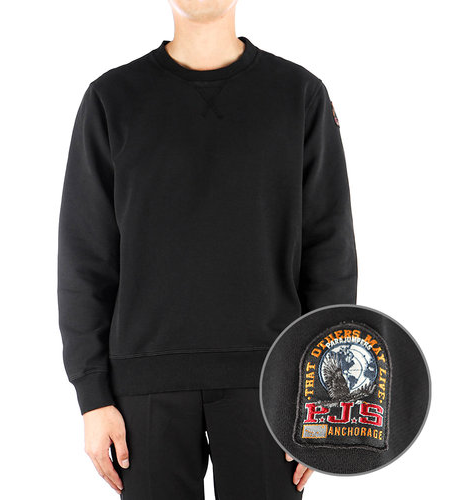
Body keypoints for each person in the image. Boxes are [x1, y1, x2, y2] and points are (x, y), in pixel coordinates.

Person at [57, 0, 357, 498]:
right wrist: (92, 395)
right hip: (142, 387)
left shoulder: (298, 94)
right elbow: (85, 256)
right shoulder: (112, 98)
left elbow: (330, 252)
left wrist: (324, 394)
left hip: (273, 384)